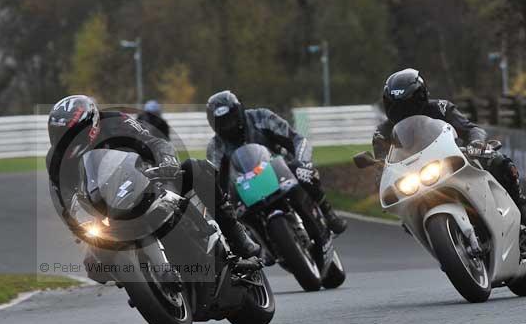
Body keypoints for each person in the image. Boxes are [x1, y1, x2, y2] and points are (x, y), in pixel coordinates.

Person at [46, 95, 263, 282]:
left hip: (147, 180)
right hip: (106, 207)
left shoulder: (115, 121)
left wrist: (166, 160)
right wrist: (78, 224)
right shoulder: (56, 160)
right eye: (60, 135)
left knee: (198, 168)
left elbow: (154, 141)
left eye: (72, 133)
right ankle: (141, 281)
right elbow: (63, 199)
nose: (67, 141)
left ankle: (237, 237)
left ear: (91, 125)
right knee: (94, 266)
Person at [373, 68, 526, 225]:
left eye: (409, 105)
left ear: (421, 97)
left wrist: (476, 144)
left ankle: (520, 205)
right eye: (397, 107)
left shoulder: (440, 108)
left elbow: (471, 129)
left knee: (499, 161)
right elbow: (381, 167)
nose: (404, 112)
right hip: (415, 180)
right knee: (405, 217)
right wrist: (381, 178)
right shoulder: (382, 132)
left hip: (454, 160)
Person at [205, 90, 348, 234]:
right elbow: (213, 179)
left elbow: (297, 140)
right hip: (245, 190)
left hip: (280, 173)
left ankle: (328, 212)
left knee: (301, 170)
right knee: (229, 220)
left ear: (239, 112)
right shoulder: (215, 147)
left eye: (231, 119)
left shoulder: (261, 117)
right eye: (223, 123)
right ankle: (256, 247)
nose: (229, 126)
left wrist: (303, 162)